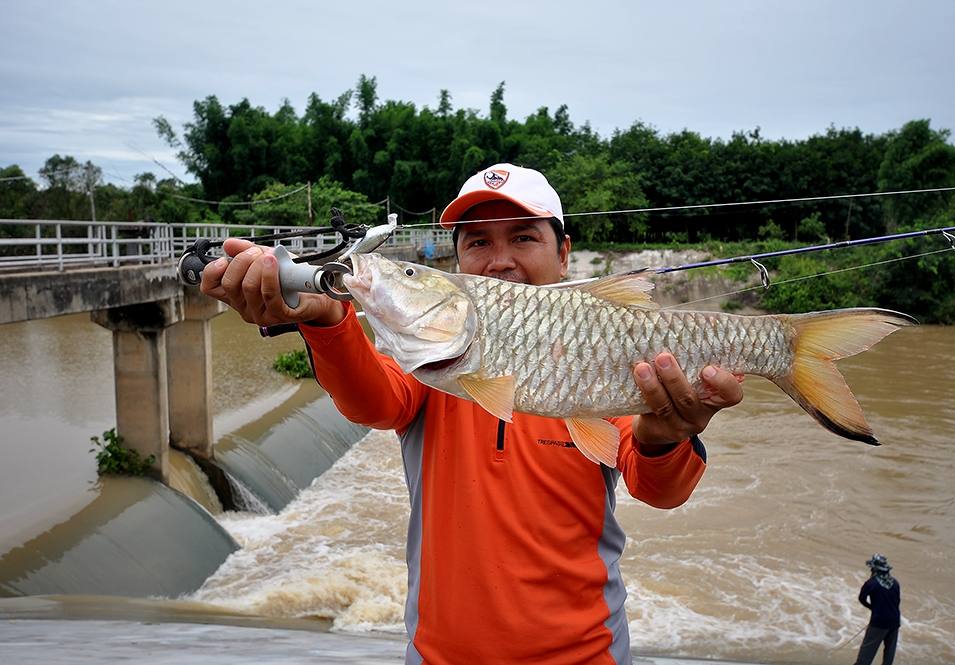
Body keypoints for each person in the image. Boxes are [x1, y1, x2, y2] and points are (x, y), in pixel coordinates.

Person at [201, 163, 744, 664]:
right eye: (478, 241)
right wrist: (325, 322)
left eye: (524, 237)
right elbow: (372, 400)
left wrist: (662, 437)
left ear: (564, 253)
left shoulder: (604, 350)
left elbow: (661, 490)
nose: (499, 259)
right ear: (457, 259)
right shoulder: (429, 359)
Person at [853, 554, 901, 665]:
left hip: (879, 623)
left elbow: (862, 598)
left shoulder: (871, 583)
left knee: (866, 653)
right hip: (895, 622)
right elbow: (897, 602)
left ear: (874, 569)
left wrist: (872, 608)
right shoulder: (895, 583)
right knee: (889, 654)